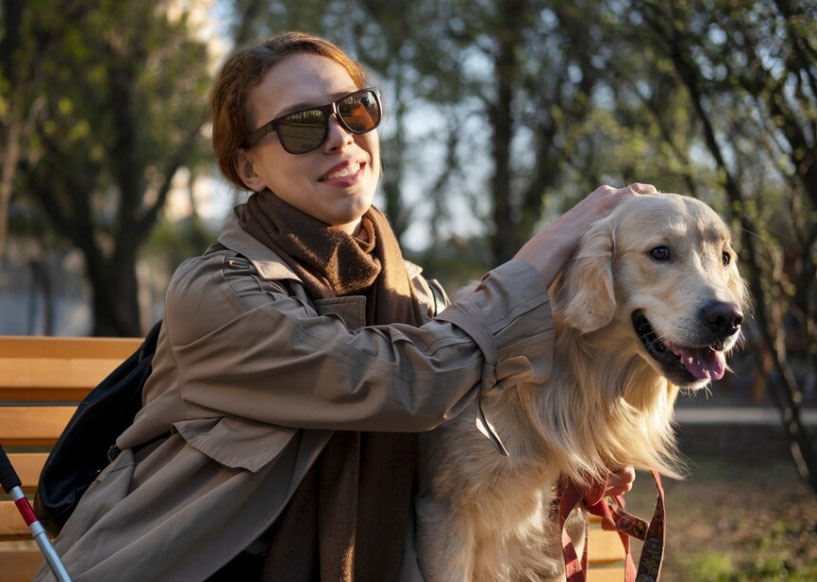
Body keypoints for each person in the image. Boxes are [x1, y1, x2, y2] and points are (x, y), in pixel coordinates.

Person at [36, 32, 645, 582]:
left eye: (356, 110)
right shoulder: (215, 292)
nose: (341, 138)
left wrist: (577, 461)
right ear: (248, 167)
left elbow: (475, 437)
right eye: (303, 127)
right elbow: (401, 380)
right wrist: (542, 255)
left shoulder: (419, 298)